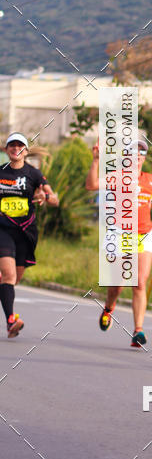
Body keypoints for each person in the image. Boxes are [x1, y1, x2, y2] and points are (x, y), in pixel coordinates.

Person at [85, 137, 152, 348]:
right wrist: (96, 161)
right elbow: (92, 185)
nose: (137, 158)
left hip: (143, 235)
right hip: (119, 235)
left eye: (141, 154)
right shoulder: (117, 177)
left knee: (140, 282)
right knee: (118, 285)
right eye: (133, 154)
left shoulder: (149, 180)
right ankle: (108, 307)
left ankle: (138, 331)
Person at [0, 132, 59, 338]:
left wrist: (45, 195)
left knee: (14, 279)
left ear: (25, 150)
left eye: (19, 146)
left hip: (25, 232)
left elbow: (55, 199)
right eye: (12, 146)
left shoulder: (34, 174)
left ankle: (6, 302)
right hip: (3, 230)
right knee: (8, 275)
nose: (16, 149)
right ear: (7, 150)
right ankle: (10, 321)